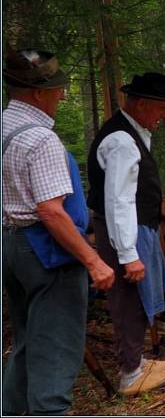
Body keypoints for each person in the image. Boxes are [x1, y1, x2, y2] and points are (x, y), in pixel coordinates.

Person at [2, 48, 115, 415]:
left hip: (12, 245)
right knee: (55, 352)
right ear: (38, 93)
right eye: (57, 88)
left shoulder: (5, 127)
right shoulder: (41, 139)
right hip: (47, 253)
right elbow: (51, 212)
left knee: (27, 343)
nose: (62, 95)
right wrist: (93, 261)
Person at [86, 72, 165, 396]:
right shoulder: (122, 141)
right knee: (128, 300)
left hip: (134, 228)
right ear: (140, 104)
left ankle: (137, 362)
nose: (164, 115)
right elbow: (119, 201)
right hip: (122, 232)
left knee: (136, 301)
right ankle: (130, 374)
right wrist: (128, 255)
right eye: (160, 107)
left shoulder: (132, 133)